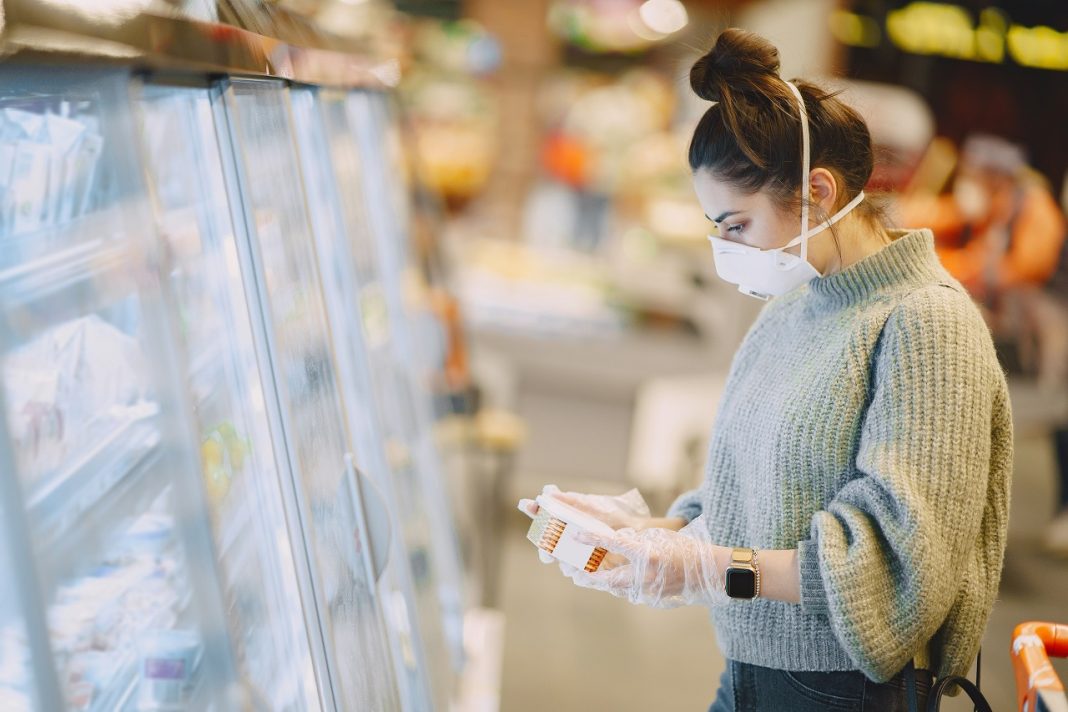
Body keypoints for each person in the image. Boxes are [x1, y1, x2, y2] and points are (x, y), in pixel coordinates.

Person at [518, 28, 1011, 712]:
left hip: (845, 692)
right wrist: (643, 536)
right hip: (749, 673)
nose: (724, 249)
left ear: (816, 190)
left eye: (736, 224)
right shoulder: (793, 305)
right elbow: (757, 493)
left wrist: (707, 568)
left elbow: (900, 568)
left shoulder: (926, 324)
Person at [901, 136, 1068, 556]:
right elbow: (948, 218)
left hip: (1051, 325)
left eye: (974, 177)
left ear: (995, 177)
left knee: (1061, 418)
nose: (968, 185)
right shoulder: (998, 205)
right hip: (1022, 321)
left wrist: (962, 267)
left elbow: (1026, 267)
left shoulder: (1036, 208)